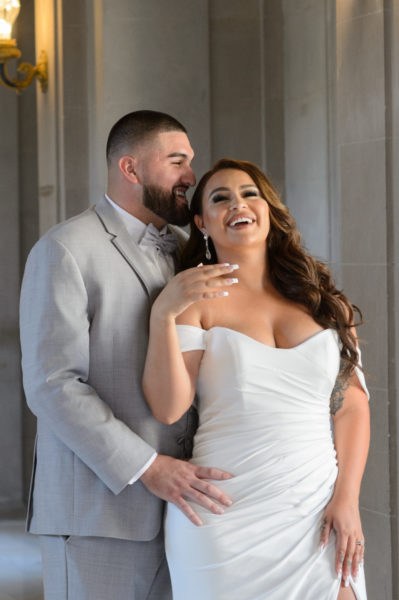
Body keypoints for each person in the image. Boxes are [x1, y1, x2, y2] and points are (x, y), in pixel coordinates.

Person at [19, 111, 234, 600]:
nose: (190, 177)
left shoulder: (185, 248)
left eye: (191, 162)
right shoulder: (64, 250)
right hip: (99, 511)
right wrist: (148, 467)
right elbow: (53, 385)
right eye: (176, 161)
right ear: (130, 169)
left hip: (185, 514)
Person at [143, 158, 370, 600]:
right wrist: (162, 315)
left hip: (318, 508)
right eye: (219, 198)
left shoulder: (326, 304)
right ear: (201, 222)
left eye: (249, 194)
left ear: (269, 210)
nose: (237, 204)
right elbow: (168, 407)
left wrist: (348, 499)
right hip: (226, 517)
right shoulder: (195, 301)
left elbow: (353, 407)